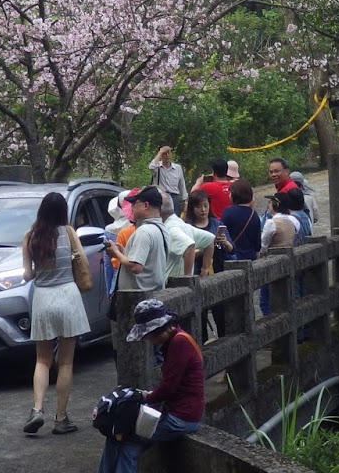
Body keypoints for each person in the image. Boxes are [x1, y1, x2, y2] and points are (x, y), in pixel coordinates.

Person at [96, 299, 204, 473]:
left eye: (148, 335)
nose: (148, 340)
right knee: (122, 440)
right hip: (177, 412)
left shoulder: (179, 343)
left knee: (127, 437)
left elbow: (169, 388)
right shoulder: (177, 340)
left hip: (182, 418)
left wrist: (146, 397)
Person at [20, 191, 89, 436]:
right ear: (62, 211)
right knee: (66, 361)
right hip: (68, 296)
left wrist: (34, 271)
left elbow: (28, 274)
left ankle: (37, 409)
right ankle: (61, 418)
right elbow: (82, 262)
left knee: (42, 360)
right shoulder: (69, 233)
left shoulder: (30, 237)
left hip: (44, 298)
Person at [105, 189, 170, 292]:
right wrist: (124, 252)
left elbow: (136, 267)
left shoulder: (144, 231)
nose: (131, 208)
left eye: (134, 203)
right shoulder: (162, 229)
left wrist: (116, 253)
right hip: (155, 293)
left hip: (140, 297)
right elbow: (148, 263)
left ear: (145, 205)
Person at [257, 192, 298, 317]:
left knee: (265, 300)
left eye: (270, 202)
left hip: (272, 260)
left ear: (276, 204)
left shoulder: (271, 222)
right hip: (288, 260)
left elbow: (264, 245)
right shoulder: (293, 221)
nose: (268, 205)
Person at [183, 190, 229, 276]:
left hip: (218, 270)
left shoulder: (217, 224)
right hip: (195, 272)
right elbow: (184, 255)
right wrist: (208, 247)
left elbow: (232, 249)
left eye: (205, 206)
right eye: (199, 207)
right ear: (192, 208)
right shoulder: (187, 228)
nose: (203, 210)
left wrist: (225, 243)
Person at [218, 180, 263, 264]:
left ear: (234, 194)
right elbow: (257, 243)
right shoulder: (254, 214)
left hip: (233, 257)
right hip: (250, 257)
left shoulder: (228, 212)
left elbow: (222, 232)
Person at [147, 147, 187, 217]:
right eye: (165, 153)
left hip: (174, 197)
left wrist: (185, 201)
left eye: (169, 153)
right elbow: (151, 167)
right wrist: (160, 152)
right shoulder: (157, 167)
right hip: (161, 197)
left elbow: (182, 185)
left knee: (174, 220)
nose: (167, 155)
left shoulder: (177, 168)